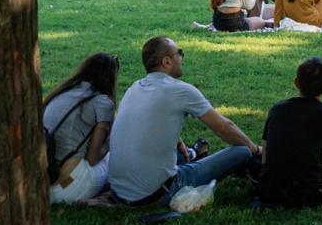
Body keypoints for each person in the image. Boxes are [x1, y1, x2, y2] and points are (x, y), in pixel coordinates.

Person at [108, 37, 262, 206]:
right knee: (242, 151)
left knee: (182, 154)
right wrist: (256, 149)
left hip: (119, 191)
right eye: (179, 53)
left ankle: (193, 153)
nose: (181, 58)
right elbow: (224, 128)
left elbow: (143, 124)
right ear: (166, 61)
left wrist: (178, 141)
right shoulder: (181, 90)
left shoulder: (134, 88)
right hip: (157, 193)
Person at [254, 57, 322, 209]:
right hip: (306, 195)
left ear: (296, 83)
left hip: (267, 191)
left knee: (251, 160)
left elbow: (265, 158)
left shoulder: (277, 109)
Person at [44, 51, 118, 203]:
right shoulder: (102, 102)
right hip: (69, 188)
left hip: (43, 188)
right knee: (112, 155)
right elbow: (92, 158)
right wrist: (113, 140)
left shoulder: (60, 93)